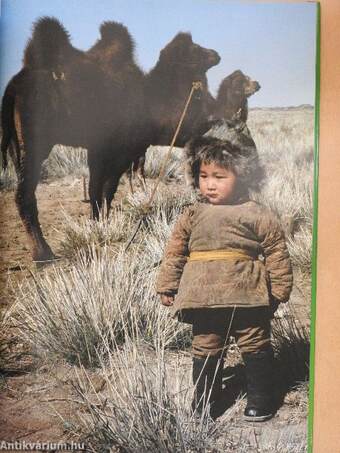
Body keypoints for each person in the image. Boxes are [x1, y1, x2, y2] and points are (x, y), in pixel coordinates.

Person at [156, 131, 293, 422]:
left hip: (248, 295)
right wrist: (168, 285)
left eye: (219, 177)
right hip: (202, 297)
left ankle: (261, 398)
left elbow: (276, 251)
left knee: (255, 343)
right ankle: (205, 402)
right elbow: (175, 253)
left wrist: (279, 290)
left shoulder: (256, 213)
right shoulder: (192, 214)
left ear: (242, 177)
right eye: (204, 176)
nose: (210, 184)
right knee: (205, 345)